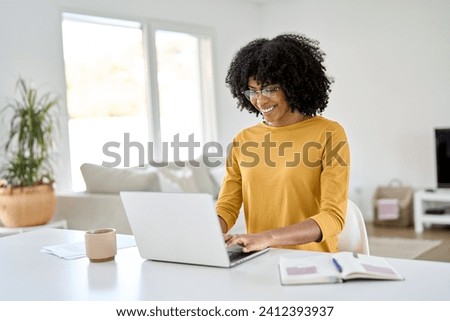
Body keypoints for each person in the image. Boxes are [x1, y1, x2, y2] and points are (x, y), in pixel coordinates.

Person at [216, 33, 350, 253]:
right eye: (252, 91)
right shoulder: (243, 140)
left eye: (270, 89)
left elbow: (333, 217)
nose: (260, 100)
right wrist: (208, 231)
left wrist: (266, 237)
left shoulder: (328, 133)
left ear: (293, 85)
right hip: (258, 258)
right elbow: (227, 206)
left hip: (311, 263)